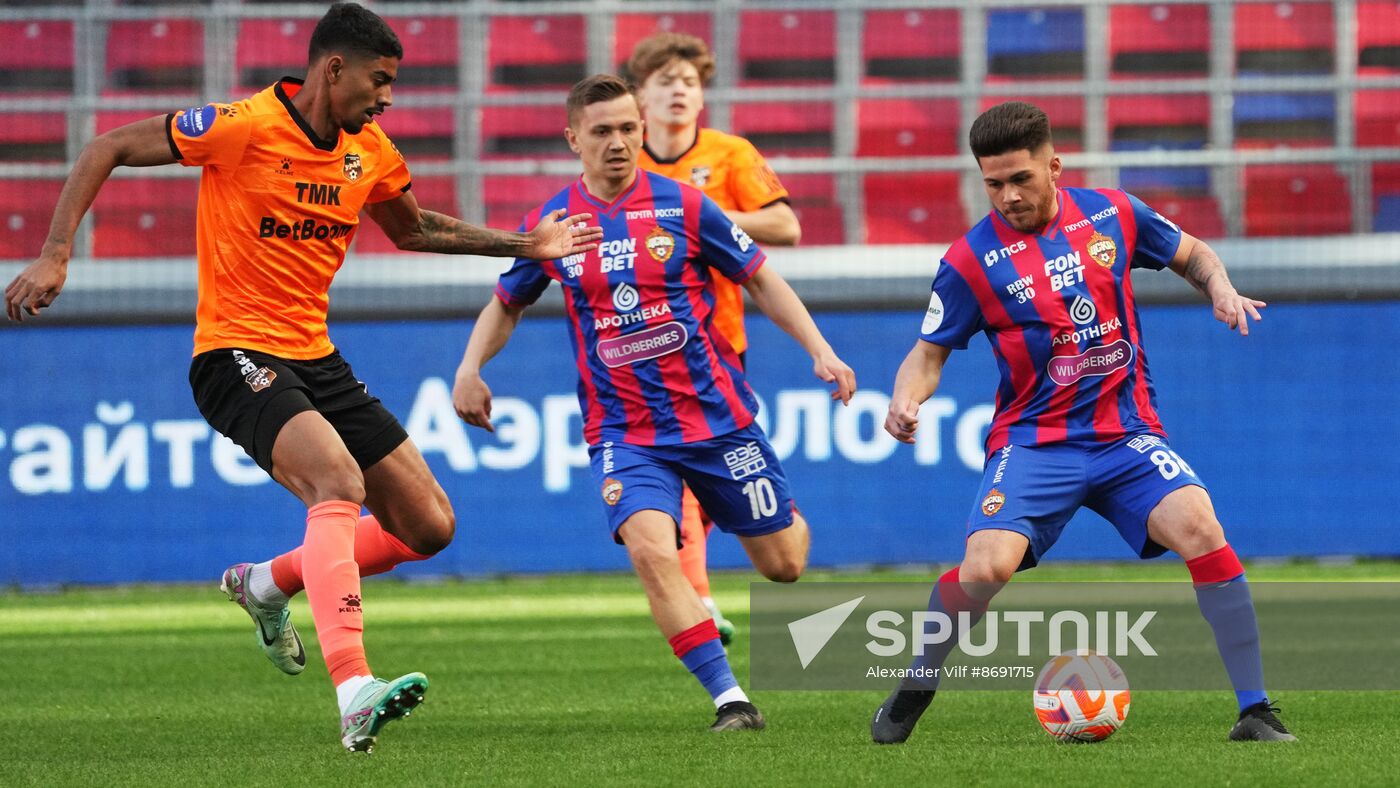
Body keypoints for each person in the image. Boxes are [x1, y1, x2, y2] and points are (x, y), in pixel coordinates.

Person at [2, 2, 601, 754]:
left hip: (315, 357)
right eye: (379, 82)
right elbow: (106, 147)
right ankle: (354, 689)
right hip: (233, 354)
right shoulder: (241, 126)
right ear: (333, 68)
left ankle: (265, 584)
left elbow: (414, 229)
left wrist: (527, 245)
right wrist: (57, 252)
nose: (387, 98)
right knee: (338, 486)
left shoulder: (369, 150)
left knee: (429, 526)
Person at [869, 102, 1295, 745]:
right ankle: (914, 687)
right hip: (1035, 444)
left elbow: (1193, 252)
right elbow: (927, 354)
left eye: (1021, 178)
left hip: (1126, 435)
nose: (1008, 195)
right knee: (985, 570)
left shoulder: (1113, 213)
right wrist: (907, 399)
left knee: (1200, 527)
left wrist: (1220, 289)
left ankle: (1256, 711)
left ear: (1054, 166)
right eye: (993, 183)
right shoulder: (968, 261)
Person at [451, 74, 854, 732]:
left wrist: (821, 349)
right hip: (625, 433)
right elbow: (506, 303)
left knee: (784, 565)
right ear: (573, 137)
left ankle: (774, 511)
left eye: (629, 129)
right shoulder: (552, 226)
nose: (618, 142)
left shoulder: (687, 207)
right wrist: (469, 369)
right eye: (603, 131)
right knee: (648, 550)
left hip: (719, 421)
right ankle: (730, 699)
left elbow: (762, 280)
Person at [628, 32, 804, 644]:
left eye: (690, 82)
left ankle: (723, 573)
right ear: (638, 96)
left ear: (702, 97)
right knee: (667, 476)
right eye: (665, 80)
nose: (679, 91)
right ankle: (700, 597)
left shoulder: (729, 155)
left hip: (715, 344)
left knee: (696, 474)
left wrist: (699, 213)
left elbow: (786, 224)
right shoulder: (624, 160)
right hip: (638, 346)